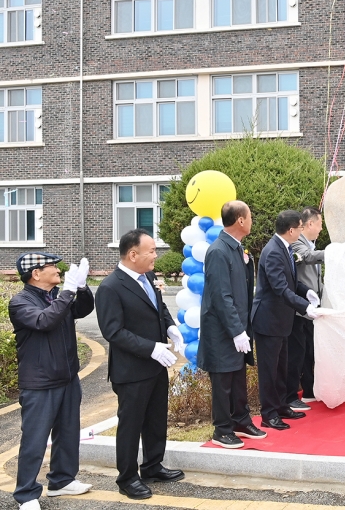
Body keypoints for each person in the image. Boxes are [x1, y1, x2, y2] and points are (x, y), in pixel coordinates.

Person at [96, 230, 185, 500]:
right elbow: (113, 332)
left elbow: (158, 308)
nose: (156, 256)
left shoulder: (148, 276)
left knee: (156, 419)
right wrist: (151, 348)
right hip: (131, 370)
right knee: (131, 425)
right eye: (152, 251)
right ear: (133, 254)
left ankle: (152, 466)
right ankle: (127, 478)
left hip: (156, 365)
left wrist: (170, 327)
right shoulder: (111, 287)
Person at [8, 253, 93, 510]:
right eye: (51, 267)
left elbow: (83, 309)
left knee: (68, 433)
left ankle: (62, 480)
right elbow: (44, 321)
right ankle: (26, 494)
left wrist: (82, 288)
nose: (58, 270)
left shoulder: (55, 297)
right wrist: (67, 292)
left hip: (67, 377)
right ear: (36, 273)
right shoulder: (20, 302)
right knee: (34, 440)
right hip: (40, 382)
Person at [199, 200, 265, 449]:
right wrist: (237, 330)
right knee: (223, 381)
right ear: (240, 220)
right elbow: (221, 296)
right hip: (222, 330)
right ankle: (222, 429)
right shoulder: (218, 251)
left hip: (237, 326)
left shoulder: (236, 248)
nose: (251, 221)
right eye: (250, 217)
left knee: (237, 377)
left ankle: (241, 420)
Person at [252, 210, 312, 430]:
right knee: (269, 370)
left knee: (281, 368)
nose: (301, 231)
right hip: (268, 321)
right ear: (291, 230)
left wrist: (306, 292)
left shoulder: (285, 248)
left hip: (281, 321)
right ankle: (269, 414)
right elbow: (280, 288)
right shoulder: (273, 251)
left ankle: (280, 406)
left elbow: (291, 281)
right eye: (300, 227)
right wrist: (305, 307)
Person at [286, 206, 325, 409]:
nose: (321, 229)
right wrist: (333, 253)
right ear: (310, 224)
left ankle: (309, 390)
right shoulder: (298, 243)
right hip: (299, 308)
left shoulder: (311, 244)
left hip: (311, 308)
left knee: (310, 349)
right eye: (320, 224)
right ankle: (293, 394)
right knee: (298, 352)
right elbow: (308, 257)